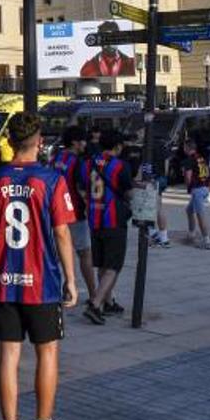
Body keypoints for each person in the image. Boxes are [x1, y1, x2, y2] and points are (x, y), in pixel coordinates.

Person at [0, 112, 77, 420]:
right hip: (42, 280)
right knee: (46, 351)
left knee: (8, 354)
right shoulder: (51, 179)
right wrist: (71, 279)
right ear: (39, 141)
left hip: (4, 279)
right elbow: (62, 232)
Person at [78, 131, 133, 324]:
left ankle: (108, 301)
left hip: (94, 218)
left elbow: (83, 188)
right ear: (118, 146)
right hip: (113, 220)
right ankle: (96, 304)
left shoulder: (88, 164)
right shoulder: (120, 166)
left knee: (102, 264)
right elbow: (129, 194)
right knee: (112, 266)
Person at [49, 125, 97, 304]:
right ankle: (93, 294)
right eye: (83, 140)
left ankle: (63, 291)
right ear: (76, 143)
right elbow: (82, 189)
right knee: (84, 253)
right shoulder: (78, 162)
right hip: (74, 213)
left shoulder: (55, 158)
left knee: (58, 254)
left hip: (55, 213)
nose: (85, 144)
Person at [183, 139, 210, 250]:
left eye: (184, 147)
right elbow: (208, 172)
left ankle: (207, 241)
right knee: (189, 210)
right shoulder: (200, 158)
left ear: (187, 148)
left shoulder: (189, 160)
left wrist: (189, 188)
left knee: (200, 215)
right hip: (205, 187)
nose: (183, 149)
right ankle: (192, 233)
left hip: (197, 189)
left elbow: (188, 176)